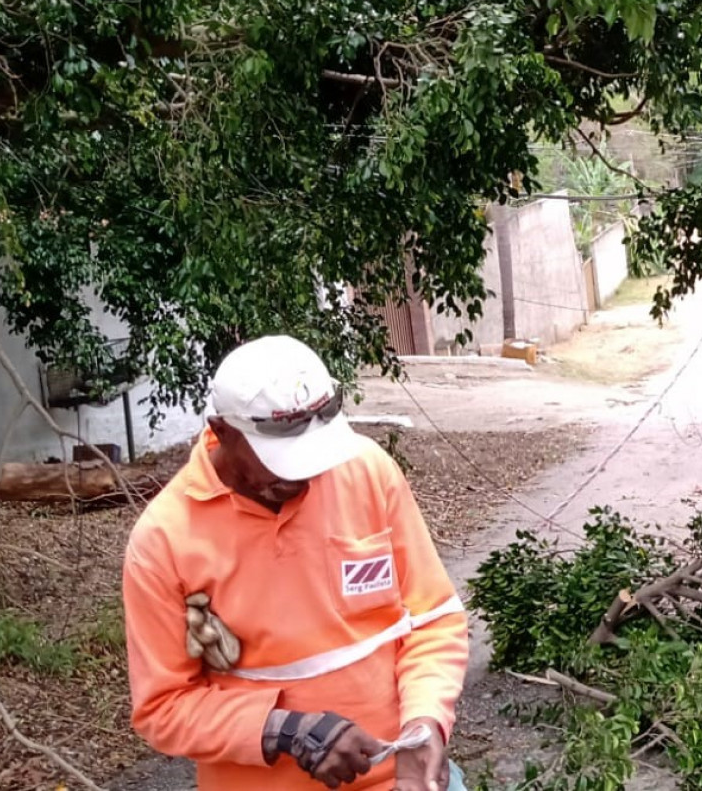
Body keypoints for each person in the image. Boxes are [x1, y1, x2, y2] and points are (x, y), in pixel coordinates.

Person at [122, 335, 469, 791]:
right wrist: (285, 731)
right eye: (281, 461)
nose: (304, 475)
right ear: (223, 431)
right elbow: (162, 708)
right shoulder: (164, 540)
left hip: (397, 780)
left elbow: (433, 619)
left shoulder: (366, 472)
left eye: (315, 455)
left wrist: (426, 720)